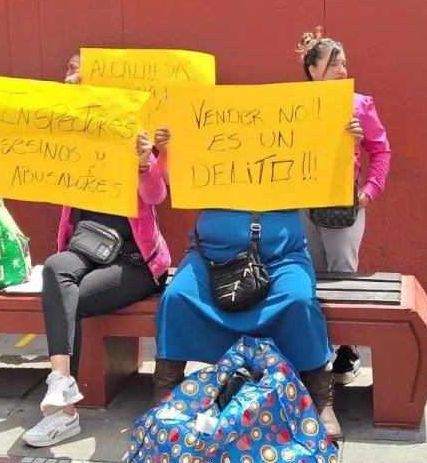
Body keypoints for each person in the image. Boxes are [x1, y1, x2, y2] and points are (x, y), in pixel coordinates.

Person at [0, 55, 169, 448]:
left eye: (80, 74)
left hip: (134, 259)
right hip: (85, 248)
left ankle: (62, 414)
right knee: (57, 268)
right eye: (68, 73)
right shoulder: (63, 137)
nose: (71, 78)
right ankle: (61, 383)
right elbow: (15, 152)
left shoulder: (130, 132)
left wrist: (144, 163)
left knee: (67, 301)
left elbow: (156, 195)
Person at [149, 120, 365, 440]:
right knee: (177, 297)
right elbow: (171, 181)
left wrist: (346, 145)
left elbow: (329, 182)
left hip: (282, 258)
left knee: (300, 302)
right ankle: (166, 393)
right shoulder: (212, 151)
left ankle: (321, 400)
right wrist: (166, 151)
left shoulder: (290, 157)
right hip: (211, 257)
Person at [295, 26, 391, 385]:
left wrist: (369, 189)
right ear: (312, 71)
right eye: (334, 64)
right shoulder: (294, 105)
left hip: (342, 202)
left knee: (342, 272)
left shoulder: (359, 104)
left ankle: (347, 352)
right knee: (309, 271)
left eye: (345, 64)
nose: (342, 70)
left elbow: (380, 150)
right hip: (301, 202)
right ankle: (314, 346)